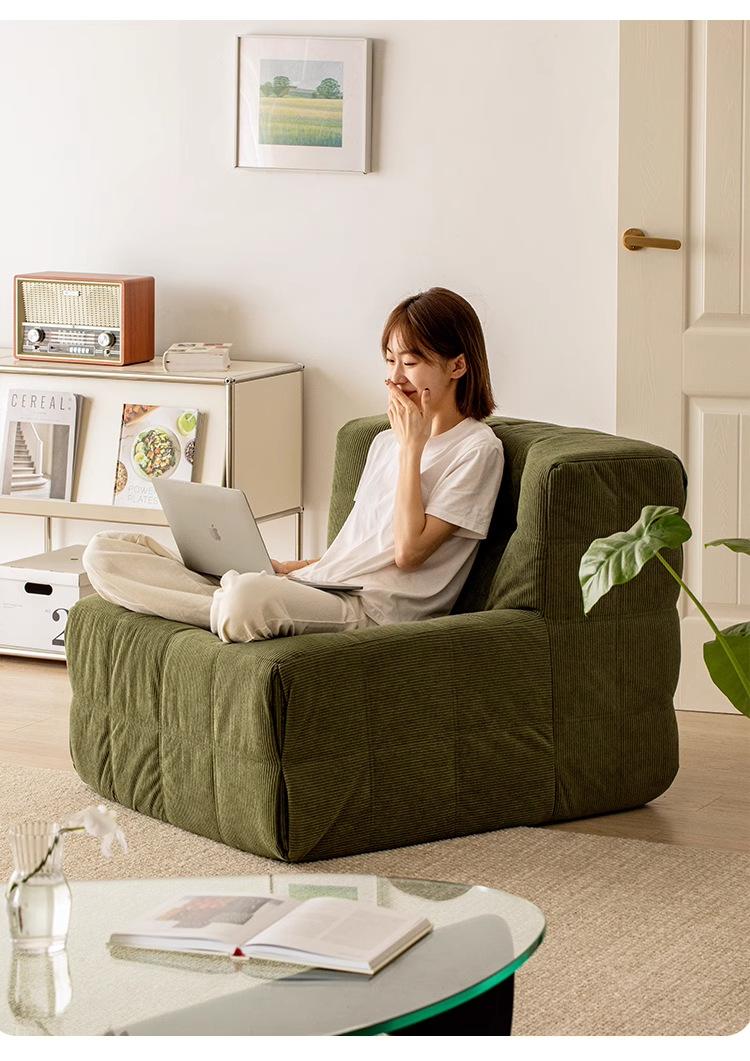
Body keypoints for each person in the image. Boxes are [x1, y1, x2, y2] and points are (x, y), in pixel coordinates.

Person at [82, 287, 505, 642]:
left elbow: (408, 554)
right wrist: (294, 569)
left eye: (410, 363)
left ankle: (229, 602)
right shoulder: (383, 442)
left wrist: (412, 449)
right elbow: (357, 549)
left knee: (248, 598)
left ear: (457, 366)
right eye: (389, 361)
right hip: (328, 587)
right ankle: (224, 602)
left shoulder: (477, 450)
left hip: (377, 612)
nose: (395, 378)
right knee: (105, 551)